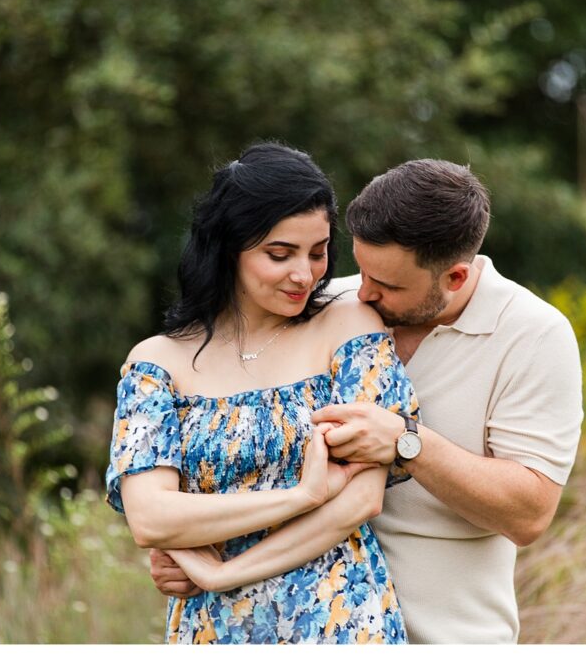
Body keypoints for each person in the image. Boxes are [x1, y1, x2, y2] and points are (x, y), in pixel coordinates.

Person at [149, 158, 583, 644]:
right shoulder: (331, 305)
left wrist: (406, 442)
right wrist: (190, 550)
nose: (363, 292)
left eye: (389, 285)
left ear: (455, 278)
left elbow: (529, 513)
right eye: (360, 268)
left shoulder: (534, 336)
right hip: (301, 624)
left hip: (447, 635)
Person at [104, 142, 421, 644]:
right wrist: (301, 495)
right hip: (214, 630)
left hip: (340, 621)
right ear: (228, 249)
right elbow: (151, 517)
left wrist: (224, 574)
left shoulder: (350, 328)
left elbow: (361, 499)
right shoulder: (156, 363)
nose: (305, 274)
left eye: (317, 253)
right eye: (280, 254)